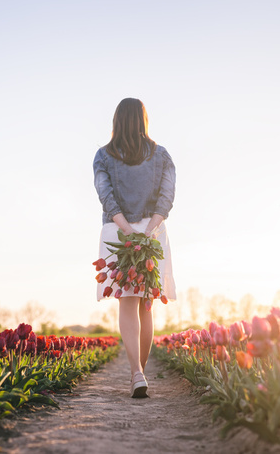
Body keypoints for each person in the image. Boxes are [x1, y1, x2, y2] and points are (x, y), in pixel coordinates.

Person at [93, 97, 177, 398]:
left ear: (117, 121)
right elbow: (166, 198)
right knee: (146, 302)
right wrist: (148, 230)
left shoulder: (103, 156)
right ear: (144, 121)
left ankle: (137, 374)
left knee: (126, 302)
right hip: (151, 231)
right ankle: (138, 374)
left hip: (117, 231)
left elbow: (106, 196)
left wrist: (126, 230)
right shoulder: (162, 155)